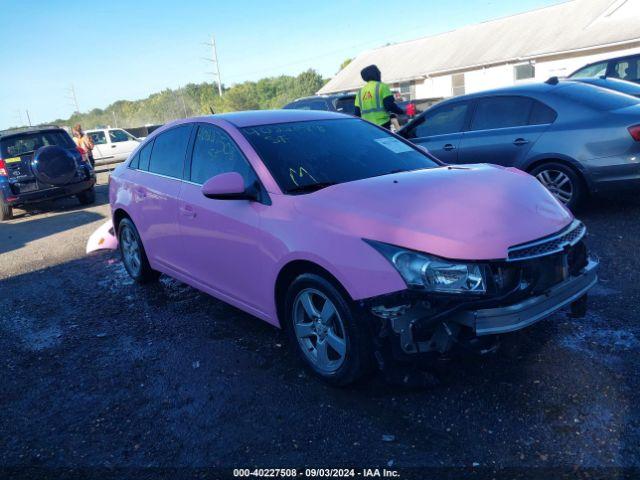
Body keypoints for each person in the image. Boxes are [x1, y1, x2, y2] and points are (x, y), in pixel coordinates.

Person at [354, 64, 404, 129]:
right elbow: (389, 105)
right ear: (377, 74)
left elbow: (357, 113)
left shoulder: (360, 92)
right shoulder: (382, 86)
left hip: (367, 126)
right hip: (382, 124)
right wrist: (402, 112)